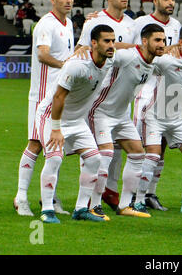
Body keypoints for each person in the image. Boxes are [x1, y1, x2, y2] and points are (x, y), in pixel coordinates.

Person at [36, 24, 116, 223]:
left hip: (77, 120)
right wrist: (55, 129)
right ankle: (47, 210)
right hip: (52, 116)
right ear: (94, 43)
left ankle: (81, 209)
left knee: (94, 159)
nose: (111, 45)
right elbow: (58, 97)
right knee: (54, 159)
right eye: (107, 41)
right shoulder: (77, 65)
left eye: (113, 40)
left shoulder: (109, 62)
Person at [85, 23, 166, 218]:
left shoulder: (154, 62)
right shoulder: (128, 56)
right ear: (144, 41)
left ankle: (125, 205)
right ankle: (93, 205)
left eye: (163, 40)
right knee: (105, 155)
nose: (162, 44)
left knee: (137, 153)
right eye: (157, 40)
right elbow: (103, 55)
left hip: (121, 116)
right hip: (101, 111)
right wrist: (84, 52)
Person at [75, 0, 137, 213]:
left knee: (118, 150)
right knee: (99, 150)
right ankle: (89, 199)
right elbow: (82, 50)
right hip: (99, 96)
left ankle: (111, 192)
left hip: (122, 96)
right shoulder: (95, 22)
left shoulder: (132, 24)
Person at [135, 24, 182, 216]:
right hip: (155, 116)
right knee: (153, 155)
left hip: (177, 119)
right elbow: (143, 60)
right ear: (181, 43)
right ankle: (139, 199)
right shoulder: (166, 61)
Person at [13, 0, 74, 216]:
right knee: (36, 144)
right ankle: (21, 197)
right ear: (53, 0)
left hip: (59, 94)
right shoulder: (45, 24)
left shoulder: (68, 23)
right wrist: (65, 65)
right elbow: (43, 54)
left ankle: (49, 197)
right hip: (41, 96)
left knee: (56, 146)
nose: (68, 1)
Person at [131, 0, 182, 212]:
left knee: (159, 146)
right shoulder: (140, 23)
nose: (170, 3)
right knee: (141, 147)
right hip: (145, 89)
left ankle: (150, 192)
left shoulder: (177, 25)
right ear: (155, 1)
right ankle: (133, 194)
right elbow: (131, 48)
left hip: (168, 92)